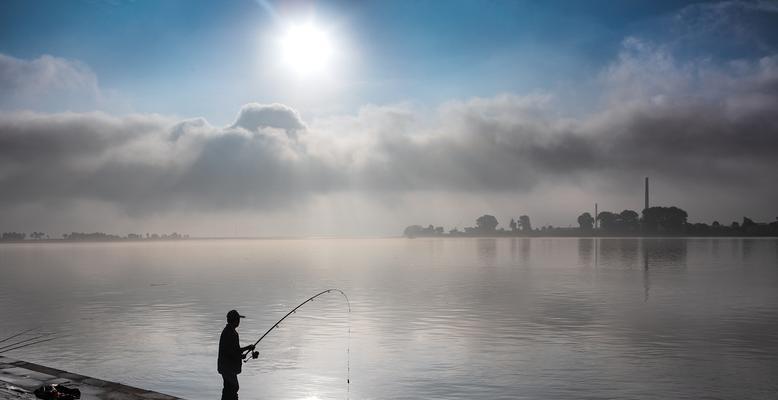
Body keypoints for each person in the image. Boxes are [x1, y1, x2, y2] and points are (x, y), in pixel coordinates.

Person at [218, 310, 255, 400]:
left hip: (226, 367)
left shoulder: (229, 331)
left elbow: (234, 350)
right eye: (238, 319)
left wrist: (246, 349)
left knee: (229, 388)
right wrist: (242, 353)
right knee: (233, 388)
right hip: (228, 367)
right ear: (235, 320)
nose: (239, 321)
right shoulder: (230, 333)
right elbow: (230, 352)